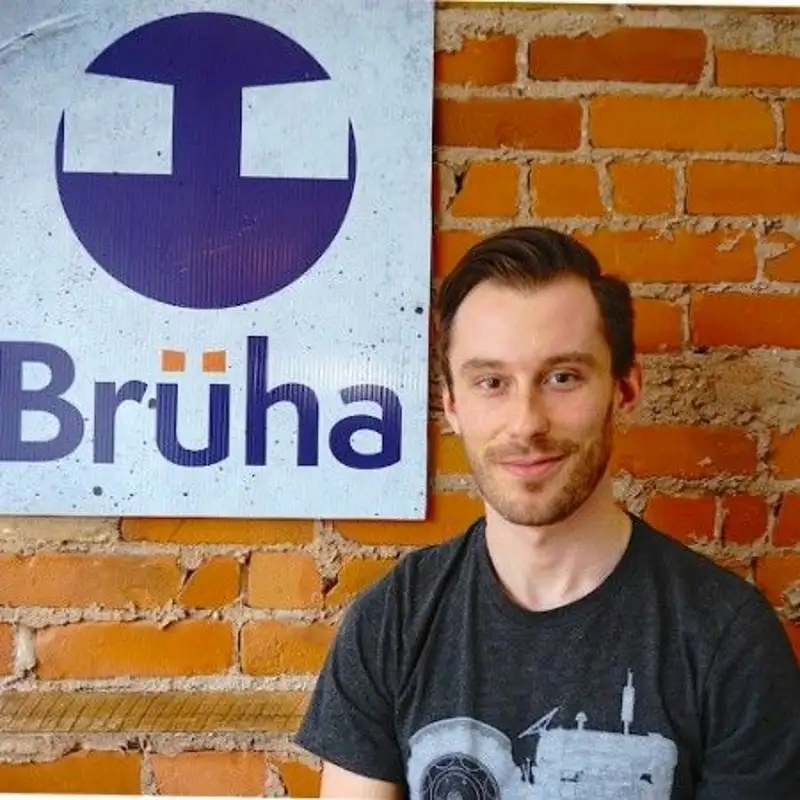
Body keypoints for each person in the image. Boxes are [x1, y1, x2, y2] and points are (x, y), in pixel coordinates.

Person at [295, 226, 800, 799]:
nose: (527, 422)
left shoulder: (726, 637)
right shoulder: (392, 623)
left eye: (563, 377)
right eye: (492, 382)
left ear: (624, 390)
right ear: (452, 405)